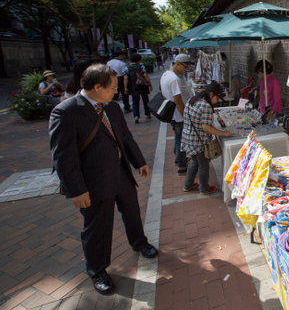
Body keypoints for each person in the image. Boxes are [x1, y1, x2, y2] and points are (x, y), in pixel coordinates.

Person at [49, 64, 158, 295]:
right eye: (113, 87)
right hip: (93, 181)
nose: (116, 92)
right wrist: (76, 190)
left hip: (120, 172)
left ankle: (139, 242)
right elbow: (63, 156)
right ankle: (98, 270)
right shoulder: (66, 111)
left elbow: (124, 135)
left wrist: (139, 161)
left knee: (132, 211)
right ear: (97, 86)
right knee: (98, 226)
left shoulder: (112, 107)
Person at [181, 81, 232, 193]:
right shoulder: (206, 106)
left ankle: (188, 184)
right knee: (203, 164)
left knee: (194, 162)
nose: (217, 101)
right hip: (198, 141)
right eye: (217, 98)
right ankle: (204, 188)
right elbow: (206, 128)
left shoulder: (193, 99)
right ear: (211, 94)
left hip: (188, 137)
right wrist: (223, 133)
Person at [161, 53, 192, 174]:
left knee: (177, 137)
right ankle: (182, 164)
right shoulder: (174, 79)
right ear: (177, 63)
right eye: (185, 67)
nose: (186, 70)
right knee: (181, 140)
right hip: (176, 115)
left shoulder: (165, 74)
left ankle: (178, 158)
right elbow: (178, 101)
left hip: (171, 114)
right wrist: (185, 116)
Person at [124, 53, 153, 123]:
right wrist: (150, 84)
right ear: (139, 60)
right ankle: (147, 114)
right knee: (145, 100)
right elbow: (145, 75)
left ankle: (136, 116)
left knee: (135, 101)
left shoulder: (127, 68)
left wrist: (125, 87)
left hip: (133, 86)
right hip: (142, 85)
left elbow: (126, 78)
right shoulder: (141, 67)